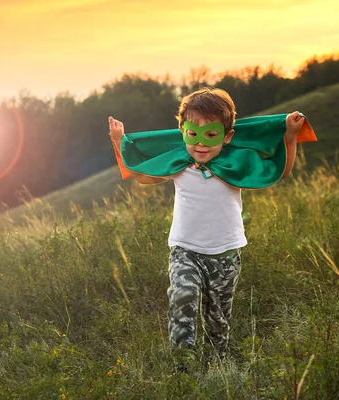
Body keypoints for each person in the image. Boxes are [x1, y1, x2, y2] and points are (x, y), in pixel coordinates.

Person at [108, 87, 307, 360]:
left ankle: (218, 368)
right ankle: (182, 370)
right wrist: (118, 141)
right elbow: (140, 175)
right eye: (193, 134)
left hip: (225, 254)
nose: (201, 144)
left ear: (228, 137)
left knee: (218, 321)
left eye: (211, 135)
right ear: (182, 131)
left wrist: (290, 136)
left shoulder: (236, 164)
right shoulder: (179, 163)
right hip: (185, 250)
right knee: (183, 296)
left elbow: (280, 171)